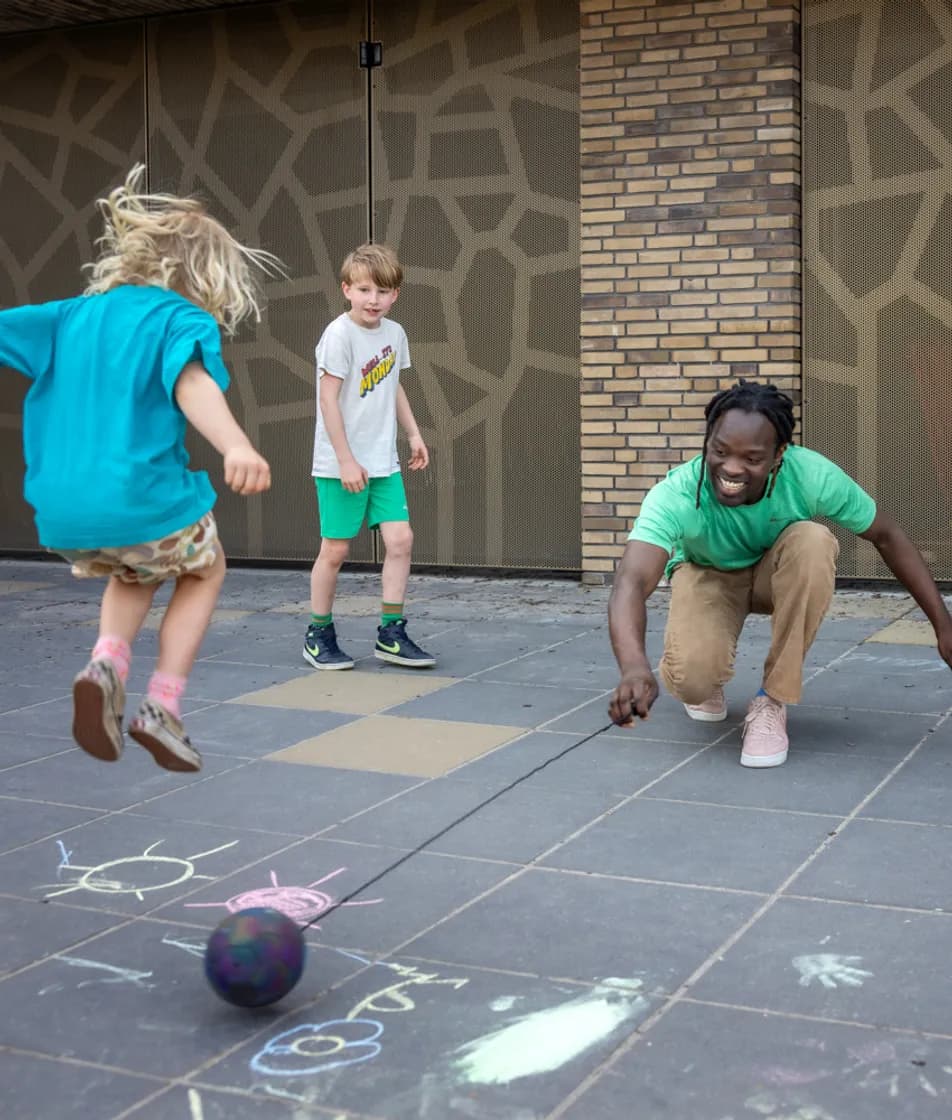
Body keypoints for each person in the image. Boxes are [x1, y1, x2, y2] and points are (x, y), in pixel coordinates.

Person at [0, 165, 278, 773]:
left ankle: (105, 663)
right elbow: (193, 383)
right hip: (139, 497)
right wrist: (235, 444)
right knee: (204, 567)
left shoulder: (72, 315)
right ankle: (162, 707)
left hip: (63, 509)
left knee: (138, 565)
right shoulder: (180, 319)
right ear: (204, 275)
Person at [607, 379, 952, 768]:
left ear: (779, 454)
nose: (731, 468)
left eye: (752, 458)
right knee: (694, 680)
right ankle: (706, 680)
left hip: (778, 572)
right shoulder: (677, 494)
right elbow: (632, 581)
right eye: (719, 451)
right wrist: (634, 667)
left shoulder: (809, 474)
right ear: (707, 440)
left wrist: (943, 625)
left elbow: (887, 535)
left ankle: (772, 700)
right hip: (709, 574)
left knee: (814, 541)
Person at [304, 242, 435, 671]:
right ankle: (318, 633)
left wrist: (413, 433)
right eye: (363, 290)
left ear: (395, 294)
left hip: (383, 461)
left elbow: (393, 384)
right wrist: (344, 460)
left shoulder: (395, 334)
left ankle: (391, 634)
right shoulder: (338, 335)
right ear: (346, 290)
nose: (373, 299)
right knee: (336, 550)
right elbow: (328, 400)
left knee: (401, 540)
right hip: (340, 462)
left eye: (382, 291)